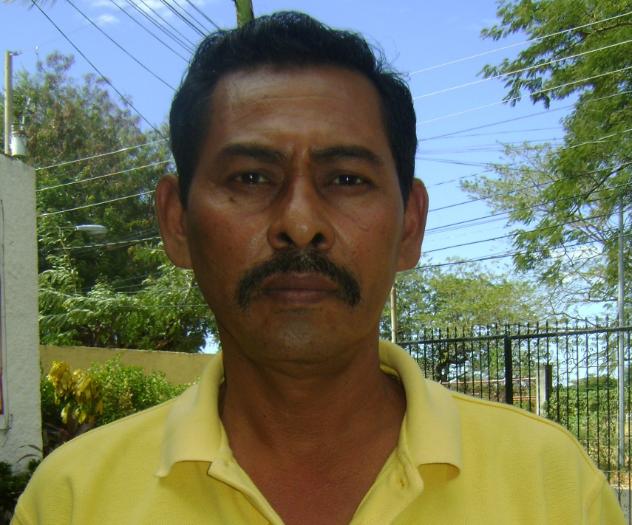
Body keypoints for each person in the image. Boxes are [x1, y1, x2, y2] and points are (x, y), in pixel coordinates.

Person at [14, 12, 624, 525]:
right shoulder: (73, 499)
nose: (301, 223)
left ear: (409, 225)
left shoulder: (553, 487)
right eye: (251, 177)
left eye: (347, 179)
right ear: (177, 221)